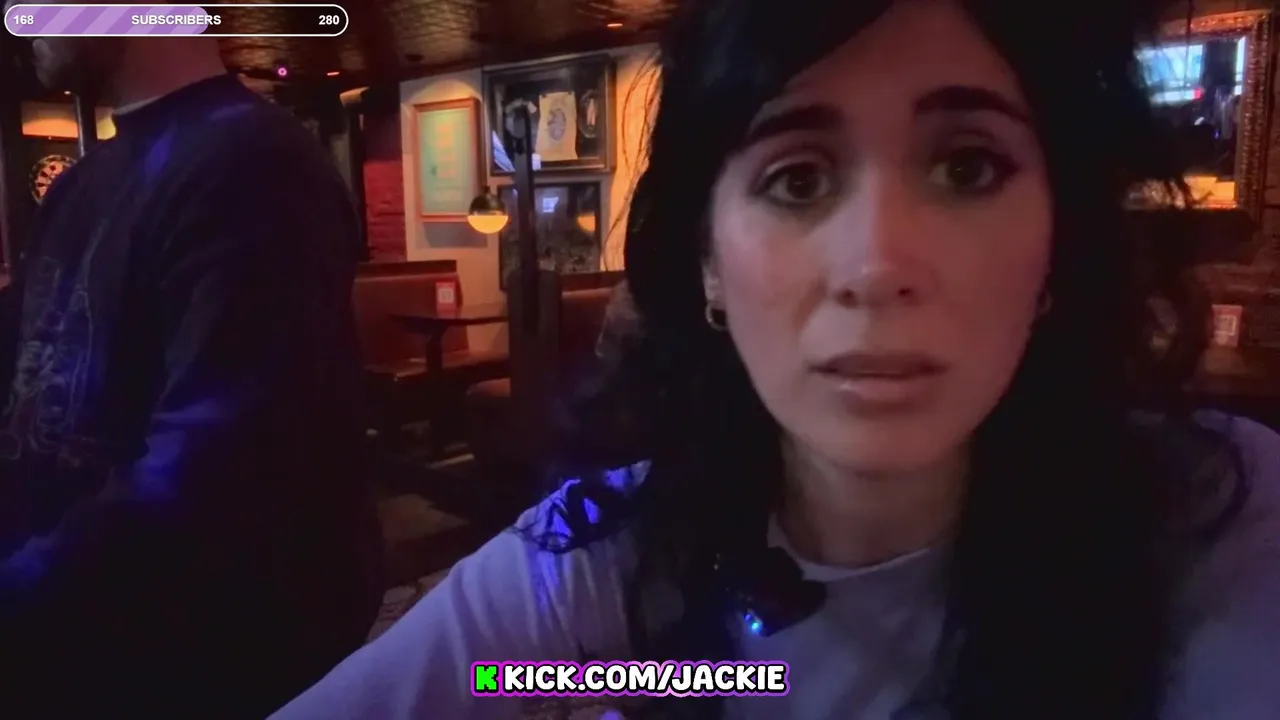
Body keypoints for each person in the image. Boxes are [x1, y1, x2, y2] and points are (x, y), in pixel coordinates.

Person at [273, 0, 1280, 718]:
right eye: (797, 179)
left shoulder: (1218, 517)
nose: (876, 264)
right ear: (708, 263)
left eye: (968, 166)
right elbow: (493, 675)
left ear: (1057, 241)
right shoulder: (611, 550)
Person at [0, 12, 383, 719]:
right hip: (75, 646)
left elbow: (212, 474)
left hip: (197, 659)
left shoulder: (255, 163)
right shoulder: (80, 186)